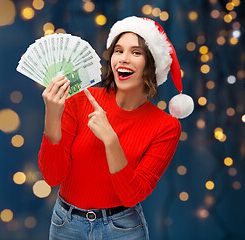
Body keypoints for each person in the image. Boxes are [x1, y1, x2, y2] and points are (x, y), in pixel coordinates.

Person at [38, 16, 194, 240]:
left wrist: (110, 140)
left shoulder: (166, 126)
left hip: (122, 230)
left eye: (136, 53)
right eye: (118, 51)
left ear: (152, 64)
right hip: (66, 226)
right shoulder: (81, 99)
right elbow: (53, 177)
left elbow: (132, 195)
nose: (124, 59)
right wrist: (52, 114)